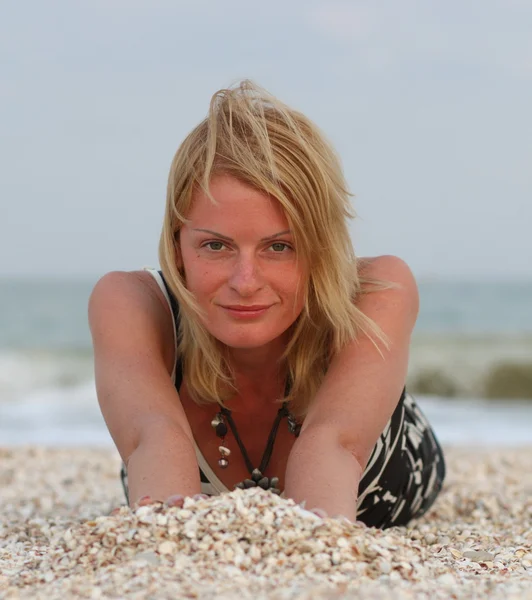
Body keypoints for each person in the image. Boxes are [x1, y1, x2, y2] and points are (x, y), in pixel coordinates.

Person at [88, 80, 446, 529]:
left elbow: (332, 445)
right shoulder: (132, 305)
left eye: (280, 247)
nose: (245, 281)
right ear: (178, 244)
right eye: (216, 246)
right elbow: (153, 445)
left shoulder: (376, 290)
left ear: (322, 246)